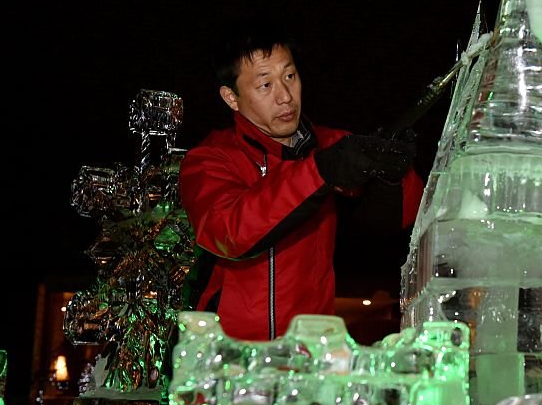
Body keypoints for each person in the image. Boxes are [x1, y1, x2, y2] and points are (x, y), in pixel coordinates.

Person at [179, 27, 423, 341]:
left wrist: (394, 175)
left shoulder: (329, 145)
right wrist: (319, 172)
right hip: (231, 357)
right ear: (231, 98)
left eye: (290, 76)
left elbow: (401, 217)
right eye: (265, 84)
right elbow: (228, 231)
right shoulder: (210, 159)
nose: (285, 96)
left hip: (308, 353)